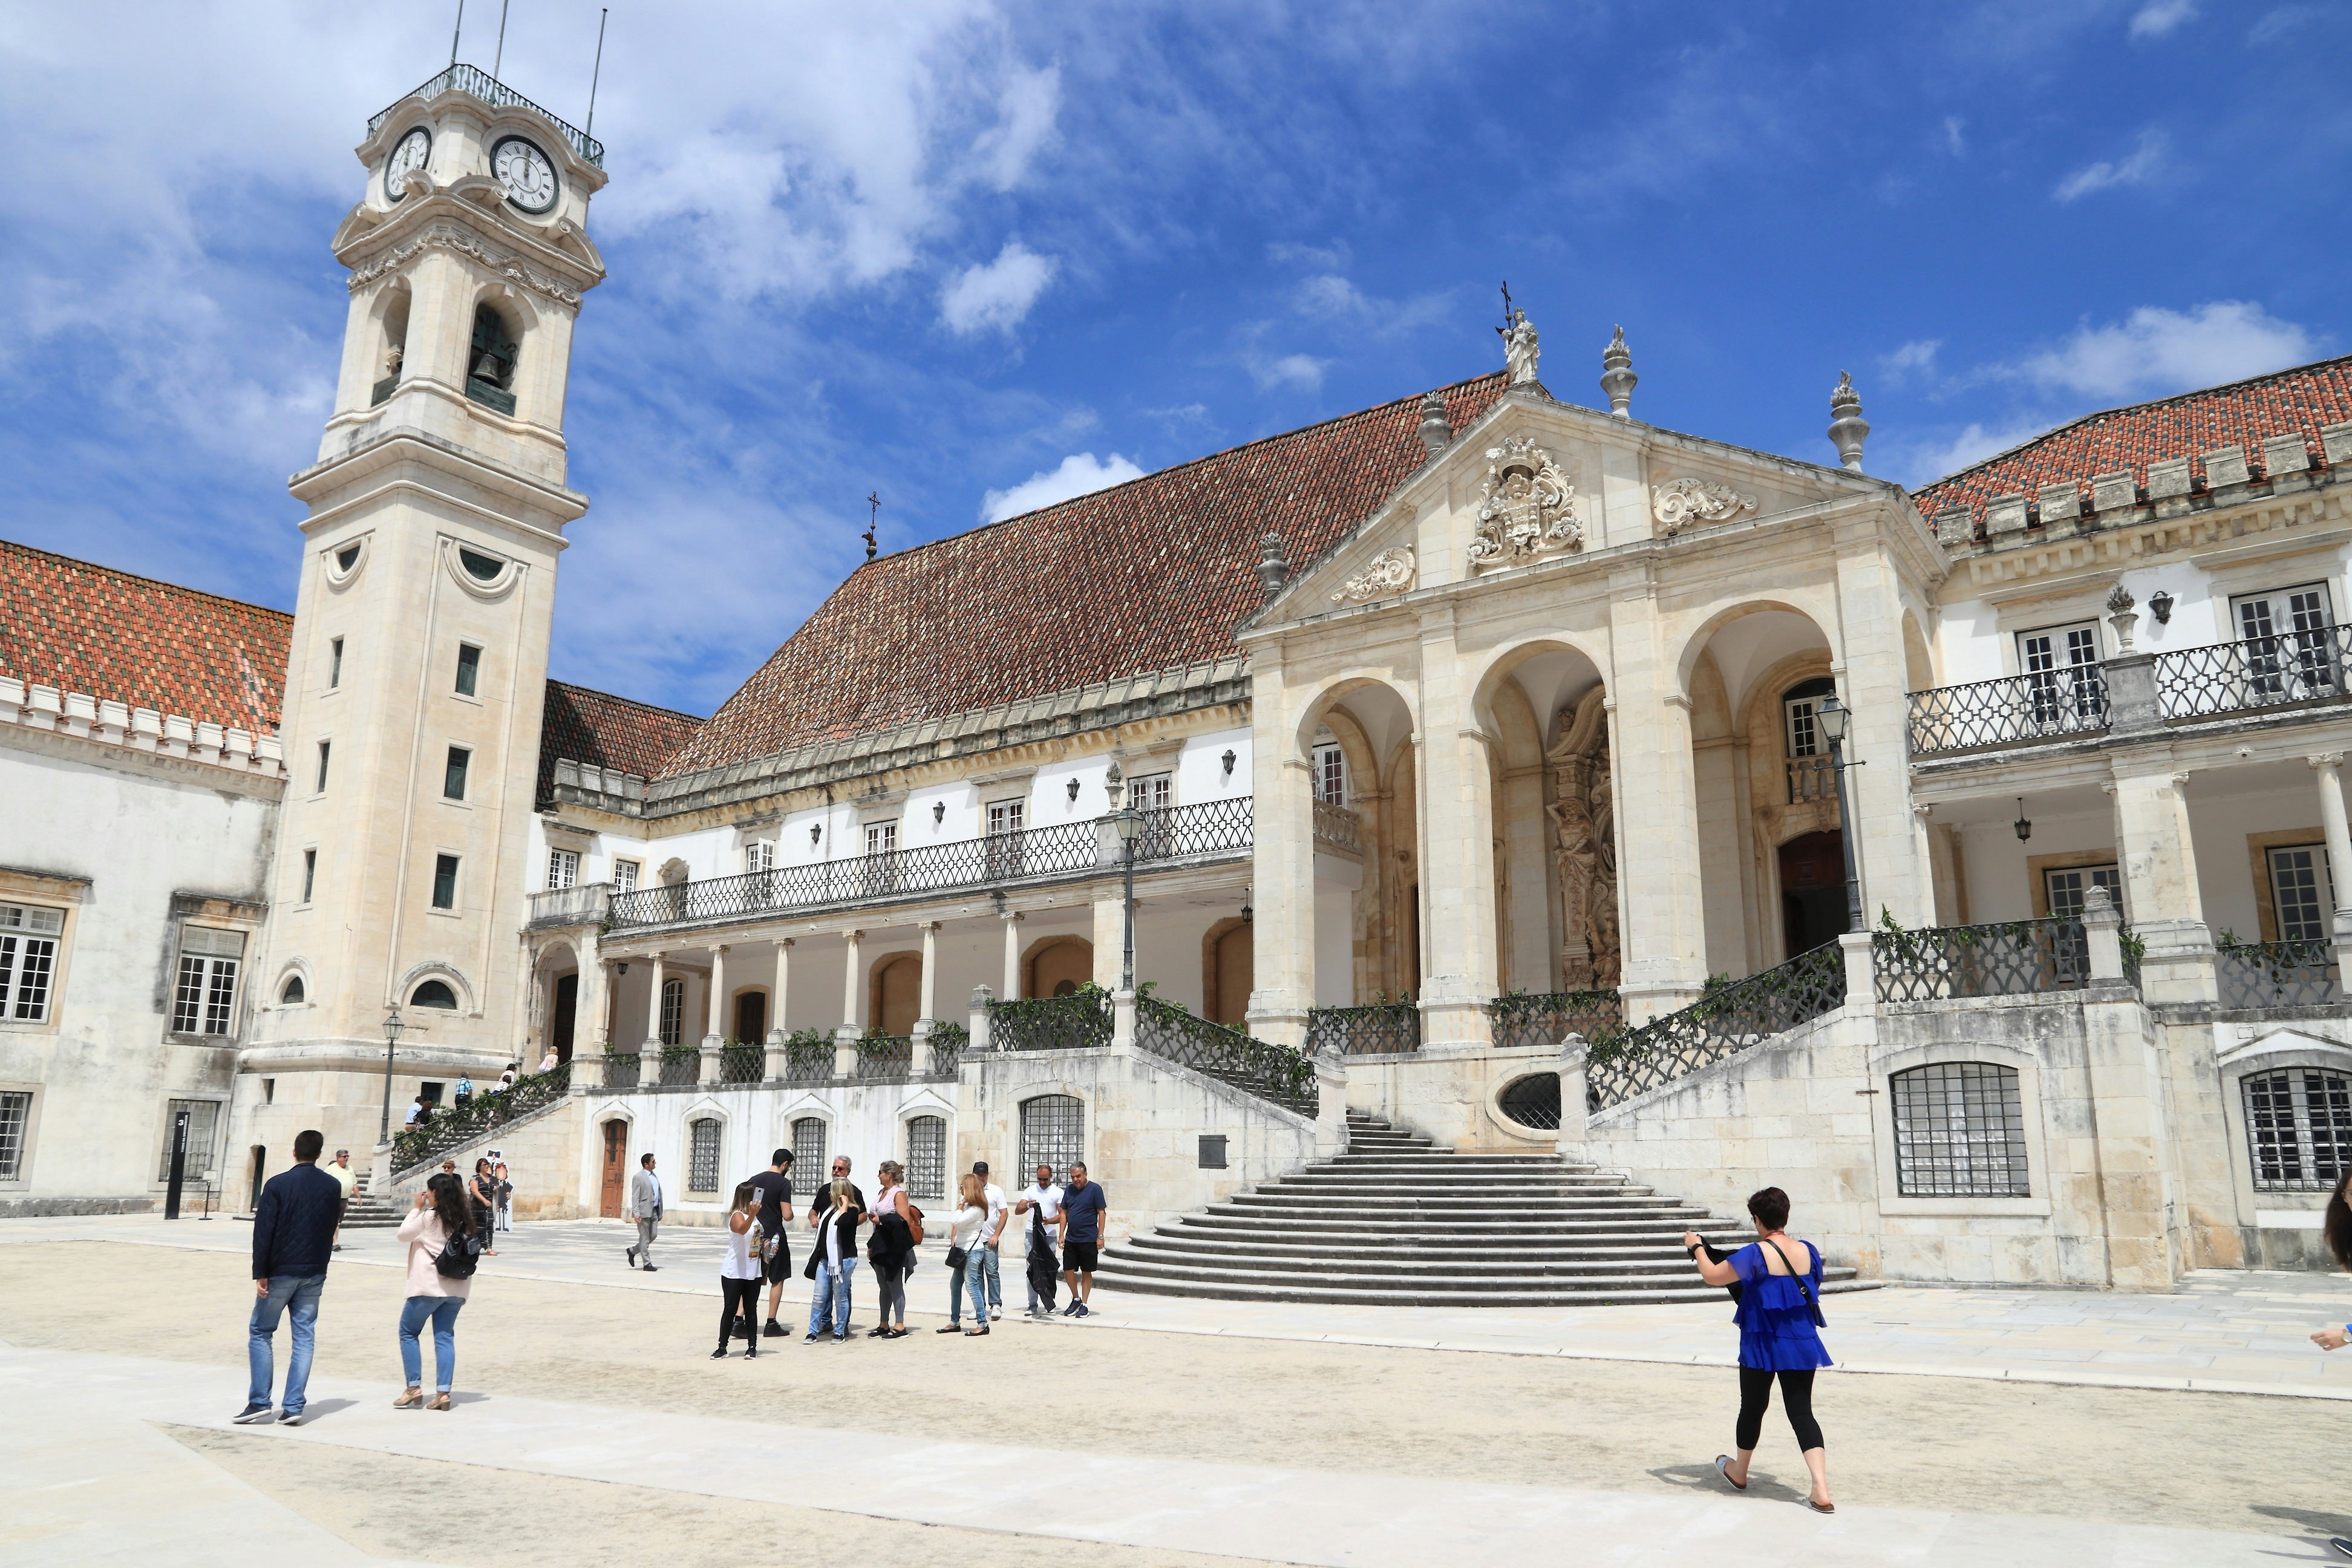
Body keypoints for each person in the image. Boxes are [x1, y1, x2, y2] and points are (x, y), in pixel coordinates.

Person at [1684, 1186, 1834, 1514]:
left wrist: (1696, 1247)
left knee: (1753, 1407)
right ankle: (1820, 1488)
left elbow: (1712, 1275)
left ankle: (1739, 1470)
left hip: (1761, 1342)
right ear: (1786, 1215)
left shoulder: (1754, 1253)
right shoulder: (1808, 1251)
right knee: (1802, 1412)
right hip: (1800, 1341)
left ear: (1756, 1219)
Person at [237, 1129, 344, 1426]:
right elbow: (331, 1224)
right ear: (320, 1154)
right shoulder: (332, 1185)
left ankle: (259, 1401)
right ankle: (294, 1405)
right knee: (304, 1337)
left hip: (281, 1269)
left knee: (261, 1332)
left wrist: (261, 1272)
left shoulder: (277, 1184)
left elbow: (264, 1231)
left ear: (294, 1152)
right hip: (314, 1271)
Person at [394, 1171, 476, 1410]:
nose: (426, 1195)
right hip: (457, 1288)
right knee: (444, 1337)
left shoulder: (429, 1218)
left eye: (429, 1191)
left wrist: (415, 1208)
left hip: (428, 1286)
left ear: (436, 1193)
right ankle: (443, 1393)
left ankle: (413, 1387)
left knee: (408, 1332)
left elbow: (402, 1235)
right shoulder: (465, 1219)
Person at [803, 1160, 866, 1342]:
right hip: (825, 1258)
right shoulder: (827, 1204)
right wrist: (814, 1216)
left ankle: (840, 1329)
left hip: (843, 1258)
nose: (836, 1171)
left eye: (840, 1169)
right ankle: (813, 1330)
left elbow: (846, 1222)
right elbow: (815, 1211)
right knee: (819, 1296)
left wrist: (845, 1206)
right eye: (834, 1168)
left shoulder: (851, 1210)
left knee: (841, 1295)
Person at [747, 1149, 797, 1339]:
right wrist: (790, 1215)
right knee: (778, 1277)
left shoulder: (756, 1180)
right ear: (785, 1164)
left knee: (751, 1277)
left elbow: (754, 1205)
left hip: (755, 1234)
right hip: (774, 1235)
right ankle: (771, 1322)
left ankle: (739, 1320)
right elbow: (787, 1214)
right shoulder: (783, 1183)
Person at [865, 1160, 917, 1339]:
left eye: (880, 1172)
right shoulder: (882, 1192)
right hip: (880, 1243)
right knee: (883, 1286)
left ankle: (900, 1325)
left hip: (894, 1246)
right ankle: (883, 1323)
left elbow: (903, 1221)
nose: (878, 1175)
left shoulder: (899, 1194)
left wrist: (881, 1220)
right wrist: (872, 1245)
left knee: (895, 1285)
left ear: (889, 1174)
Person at [715, 1181, 765, 1360]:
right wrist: (752, 1214)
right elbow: (742, 1230)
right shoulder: (737, 1215)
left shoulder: (755, 1216)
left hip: (753, 1270)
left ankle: (752, 1347)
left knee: (751, 1309)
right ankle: (722, 1347)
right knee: (730, 1309)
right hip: (734, 1271)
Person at [940, 1171, 991, 1336]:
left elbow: (956, 1221)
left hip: (972, 1253)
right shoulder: (971, 1207)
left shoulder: (976, 1209)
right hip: (963, 1252)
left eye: (962, 1186)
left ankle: (982, 1323)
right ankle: (954, 1321)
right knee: (955, 1286)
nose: (960, 1188)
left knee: (972, 1286)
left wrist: (961, 1204)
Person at [1013, 1163, 1063, 1320]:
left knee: (1048, 1269)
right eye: (1040, 1179)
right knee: (1032, 1269)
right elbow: (1017, 1210)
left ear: (1051, 1178)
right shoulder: (1030, 1191)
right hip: (1032, 1234)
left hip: (1049, 1235)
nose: (1042, 1182)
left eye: (1045, 1179)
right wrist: (1029, 1205)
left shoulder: (1057, 1192)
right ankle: (1032, 1304)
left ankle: (1049, 1301)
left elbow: (1062, 1215)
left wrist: (1049, 1221)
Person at [1059, 1161, 1107, 1318]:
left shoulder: (1095, 1189)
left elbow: (1101, 1213)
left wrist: (1100, 1236)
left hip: (1088, 1238)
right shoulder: (1069, 1190)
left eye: (1078, 1176)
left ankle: (1084, 1304)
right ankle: (1076, 1298)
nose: (1075, 1180)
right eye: (1073, 1177)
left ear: (1085, 1174)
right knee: (1068, 1270)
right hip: (1072, 1238)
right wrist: (1061, 1234)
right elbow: (1064, 1213)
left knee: (1087, 1272)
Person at [973, 1160, 1007, 1322]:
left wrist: (996, 1235)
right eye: (979, 1175)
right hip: (973, 1241)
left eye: (984, 1175)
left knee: (992, 1272)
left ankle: (996, 1304)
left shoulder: (995, 1191)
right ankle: (979, 1306)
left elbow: (1004, 1214)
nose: (982, 1178)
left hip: (989, 1240)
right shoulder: (969, 1191)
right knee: (976, 1274)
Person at [625, 1152, 662, 1271]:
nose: (655, 1163)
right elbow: (635, 1197)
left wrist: (660, 1211)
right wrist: (636, 1213)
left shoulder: (654, 1176)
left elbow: (658, 1194)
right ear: (646, 1164)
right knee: (645, 1238)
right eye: (653, 1161)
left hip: (655, 1210)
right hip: (643, 1212)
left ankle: (633, 1251)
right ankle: (647, 1263)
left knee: (653, 1235)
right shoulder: (639, 1177)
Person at [323, 1148, 358, 1253]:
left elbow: (354, 1184)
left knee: (337, 1222)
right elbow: (323, 1182)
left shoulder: (350, 1169)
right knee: (335, 1221)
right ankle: (335, 1243)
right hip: (333, 1199)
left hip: (343, 1199)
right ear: (338, 1158)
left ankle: (331, 1241)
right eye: (344, 1156)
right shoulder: (331, 1169)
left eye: (347, 1156)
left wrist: (358, 1197)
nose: (346, 1158)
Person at [468, 1158, 500, 1256]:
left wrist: (495, 1189)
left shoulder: (492, 1178)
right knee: (476, 1227)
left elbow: (495, 1188)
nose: (487, 1167)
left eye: (487, 1165)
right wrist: (484, 1200)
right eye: (484, 1165)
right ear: (479, 1167)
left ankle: (488, 1248)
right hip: (477, 1206)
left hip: (489, 1206)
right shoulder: (475, 1178)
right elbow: (475, 1191)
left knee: (489, 1226)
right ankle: (472, 1247)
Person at [491, 1158, 514, 1233]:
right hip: (497, 1200)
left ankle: (504, 1226)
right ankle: (498, 1226)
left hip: (503, 1201)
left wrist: (509, 1194)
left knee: (503, 1213)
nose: (501, 1174)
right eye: (499, 1172)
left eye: (503, 1172)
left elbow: (510, 1189)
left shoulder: (506, 1184)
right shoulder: (494, 1182)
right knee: (497, 1214)